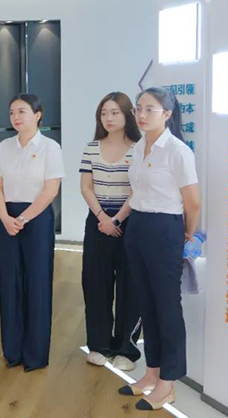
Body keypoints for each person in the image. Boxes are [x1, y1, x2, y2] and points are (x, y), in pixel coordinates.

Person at [118, 87, 200, 411]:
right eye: (138, 108)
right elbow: (136, 191)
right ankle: (151, 372)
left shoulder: (178, 151)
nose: (141, 114)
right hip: (138, 225)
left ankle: (169, 381)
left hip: (166, 228)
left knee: (167, 306)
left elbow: (192, 202)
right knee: (146, 303)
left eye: (149, 109)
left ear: (166, 114)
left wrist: (186, 235)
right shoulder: (139, 147)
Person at [0, 93, 64, 372]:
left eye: (22, 111)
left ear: (38, 114)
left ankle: (35, 353)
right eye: (12, 112)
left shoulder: (49, 147)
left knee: (37, 282)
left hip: (36, 219)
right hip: (6, 217)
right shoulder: (5, 146)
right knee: (9, 283)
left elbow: (50, 191)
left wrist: (21, 219)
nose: (15, 117)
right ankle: (13, 350)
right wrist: (5, 217)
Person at [80, 92, 142, 371]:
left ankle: (126, 350)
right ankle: (99, 345)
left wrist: (116, 220)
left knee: (130, 286)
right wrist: (102, 218)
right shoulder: (92, 148)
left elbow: (138, 189)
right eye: (104, 113)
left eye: (115, 112)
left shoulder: (139, 149)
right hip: (97, 221)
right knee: (95, 284)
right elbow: (86, 187)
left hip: (129, 222)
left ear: (128, 114)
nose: (109, 118)